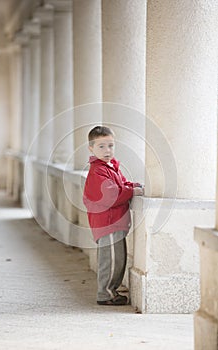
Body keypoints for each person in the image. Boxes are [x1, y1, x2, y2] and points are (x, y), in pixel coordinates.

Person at [83, 126, 144, 306]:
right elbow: (111, 194)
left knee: (118, 259)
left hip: (116, 222)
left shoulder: (111, 167)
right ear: (91, 148)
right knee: (109, 261)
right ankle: (105, 293)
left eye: (110, 145)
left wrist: (133, 185)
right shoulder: (97, 171)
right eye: (101, 146)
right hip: (107, 223)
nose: (107, 150)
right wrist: (132, 191)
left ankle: (111, 291)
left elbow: (122, 183)